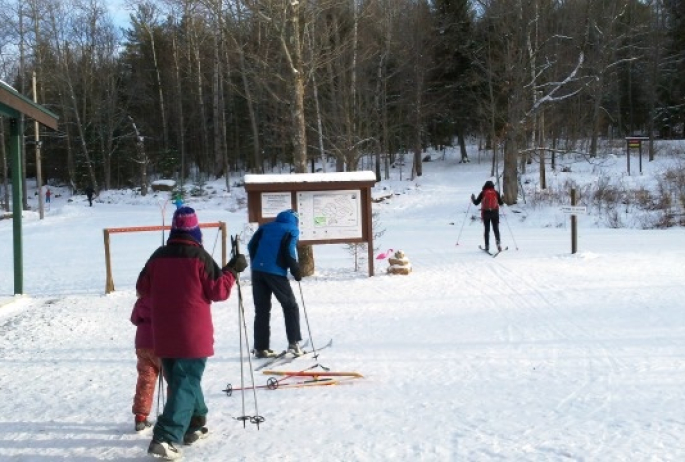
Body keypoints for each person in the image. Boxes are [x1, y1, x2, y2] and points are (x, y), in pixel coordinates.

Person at [136, 206, 247, 460]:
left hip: (163, 333)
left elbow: (142, 287)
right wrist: (231, 270)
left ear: (174, 230)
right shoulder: (199, 256)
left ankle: (195, 423)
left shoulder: (157, 256)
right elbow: (219, 291)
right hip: (192, 335)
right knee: (184, 384)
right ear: (196, 231)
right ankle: (165, 437)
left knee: (182, 380)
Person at [247, 209, 303, 359]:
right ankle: (294, 343)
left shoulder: (265, 227)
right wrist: (296, 270)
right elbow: (290, 250)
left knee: (262, 310)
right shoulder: (292, 229)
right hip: (276, 272)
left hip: (258, 271)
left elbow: (251, 245)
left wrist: (257, 262)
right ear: (294, 220)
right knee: (290, 306)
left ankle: (260, 347)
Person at [130, 294, 161, 432]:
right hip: (161, 345)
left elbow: (134, 319)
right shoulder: (164, 298)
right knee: (174, 382)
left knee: (145, 381)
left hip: (142, 345)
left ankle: (140, 417)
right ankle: (175, 415)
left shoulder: (141, 301)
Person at [471, 180, 504, 252]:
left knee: (487, 230)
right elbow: (501, 203)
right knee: (496, 229)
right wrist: (501, 198)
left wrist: (472, 198)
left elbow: (476, 203)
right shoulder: (495, 192)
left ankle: (487, 246)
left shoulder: (483, 192)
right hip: (495, 213)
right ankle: (498, 244)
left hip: (486, 213)